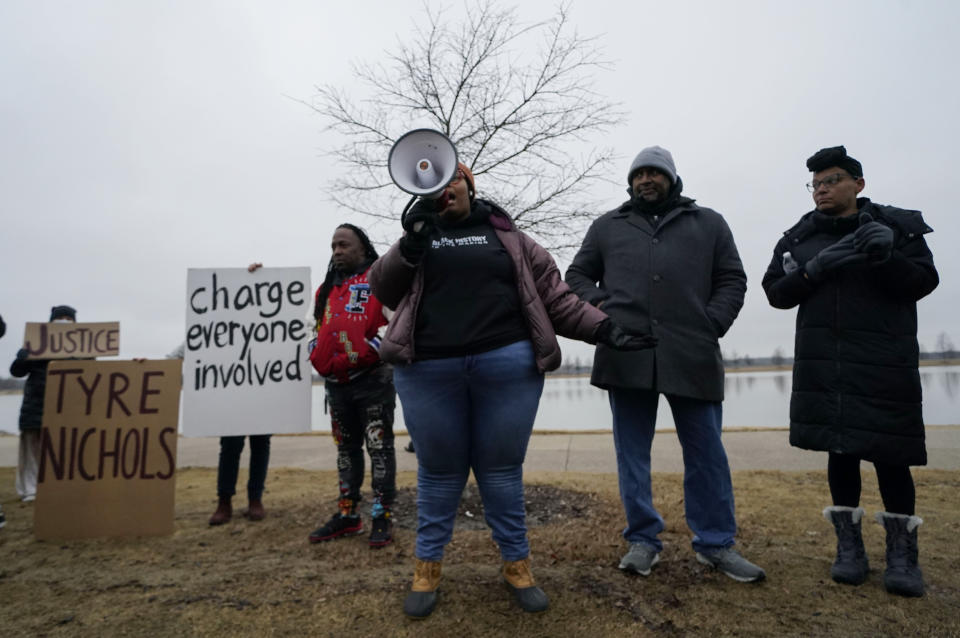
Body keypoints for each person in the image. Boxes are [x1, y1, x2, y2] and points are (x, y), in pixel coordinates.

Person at [370, 162, 655, 618]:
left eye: (456, 179)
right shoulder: (416, 240)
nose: (448, 190)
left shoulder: (514, 241)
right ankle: (427, 565)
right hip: (429, 371)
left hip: (507, 366)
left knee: (502, 470)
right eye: (439, 185)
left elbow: (557, 299)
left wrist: (606, 330)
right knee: (439, 472)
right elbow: (380, 286)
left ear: (469, 186)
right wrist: (410, 245)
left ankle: (516, 563)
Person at [565, 146, 765, 583]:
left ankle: (716, 543)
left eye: (655, 173)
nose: (646, 181)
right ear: (630, 183)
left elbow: (733, 278)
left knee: (707, 453)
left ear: (673, 179)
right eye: (639, 175)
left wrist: (711, 322)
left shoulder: (708, 223)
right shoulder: (606, 227)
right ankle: (642, 539)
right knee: (632, 455)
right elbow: (575, 277)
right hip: (626, 354)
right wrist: (605, 310)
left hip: (692, 355)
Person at [762, 146, 938, 597]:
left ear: (858, 184)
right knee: (840, 453)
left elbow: (924, 282)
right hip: (827, 364)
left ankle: (902, 555)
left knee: (891, 457)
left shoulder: (896, 227)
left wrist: (888, 257)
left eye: (832, 180)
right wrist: (813, 271)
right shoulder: (798, 238)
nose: (822, 189)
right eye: (816, 183)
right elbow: (776, 294)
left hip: (884, 361)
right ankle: (850, 549)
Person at [307, 224, 397, 549]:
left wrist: (369, 350)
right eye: (333, 246)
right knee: (346, 450)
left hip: (373, 381)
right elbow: (311, 326)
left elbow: (395, 322)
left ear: (363, 247)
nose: (337, 252)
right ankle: (348, 515)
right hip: (336, 385)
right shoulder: (326, 288)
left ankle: (382, 516)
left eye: (343, 245)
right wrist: (314, 353)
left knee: (379, 448)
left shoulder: (381, 280)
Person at [207, 263, 273, 526]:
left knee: (260, 445)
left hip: (262, 394)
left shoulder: (269, 325)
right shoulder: (223, 322)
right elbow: (202, 341)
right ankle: (224, 501)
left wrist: (262, 277)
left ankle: (255, 499)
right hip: (233, 395)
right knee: (230, 447)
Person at [10, 305, 77, 503]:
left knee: (62, 448)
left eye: (68, 318)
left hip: (67, 406)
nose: (64, 321)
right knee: (32, 451)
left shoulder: (81, 348)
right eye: (60, 318)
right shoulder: (36, 344)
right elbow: (17, 372)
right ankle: (30, 490)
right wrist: (22, 358)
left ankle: (59, 487)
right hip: (36, 405)